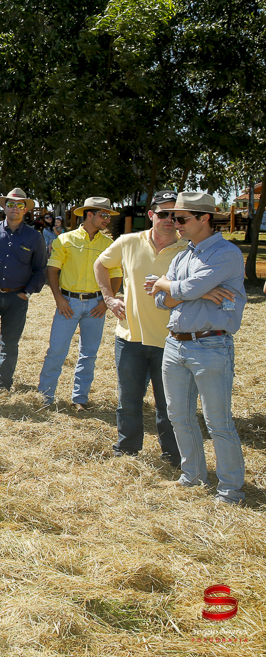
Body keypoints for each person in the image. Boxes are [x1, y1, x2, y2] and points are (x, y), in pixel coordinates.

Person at [150, 192, 247, 505]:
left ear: (204, 217)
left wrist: (167, 284)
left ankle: (230, 490)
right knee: (179, 417)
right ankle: (192, 477)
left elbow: (179, 289)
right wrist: (191, 291)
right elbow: (161, 300)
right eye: (169, 217)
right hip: (175, 343)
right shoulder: (182, 256)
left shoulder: (226, 253)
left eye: (180, 218)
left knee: (218, 422)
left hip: (211, 344)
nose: (172, 223)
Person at [95, 190, 185, 466]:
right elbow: (100, 264)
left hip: (171, 339)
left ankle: (173, 456)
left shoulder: (189, 247)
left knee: (169, 405)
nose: (168, 220)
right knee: (128, 401)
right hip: (129, 337)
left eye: (174, 214)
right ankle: (127, 450)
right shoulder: (128, 241)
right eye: (162, 214)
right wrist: (109, 297)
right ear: (151, 215)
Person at [37, 196, 119, 411]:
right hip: (68, 304)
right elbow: (52, 270)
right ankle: (45, 399)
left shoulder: (109, 245)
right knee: (56, 351)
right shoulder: (64, 240)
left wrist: (106, 301)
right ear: (89, 214)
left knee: (89, 354)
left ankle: (79, 399)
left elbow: (117, 275)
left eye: (108, 216)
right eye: (103, 215)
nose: (107, 220)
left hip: (96, 306)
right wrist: (59, 299)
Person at [0, 188, 48, 392]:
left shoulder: (35, 237)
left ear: (25, 210)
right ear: (4, 207)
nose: (14, 208)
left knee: (10, 344)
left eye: (19, 205)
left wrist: (27, 293)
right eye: (10, 204)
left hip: (17, 298)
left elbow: (41, 269)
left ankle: (3, 384)